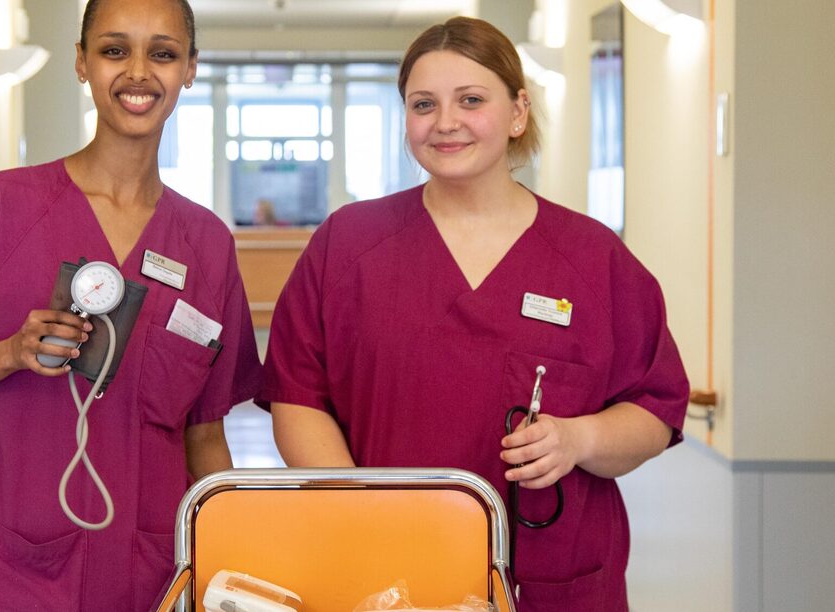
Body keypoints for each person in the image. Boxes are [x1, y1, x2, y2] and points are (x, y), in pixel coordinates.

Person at [258, 17, 688, 612]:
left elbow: (654, 410)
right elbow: (298, 397)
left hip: (547, 574)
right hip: (382, 568)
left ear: (518, 112)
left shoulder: (592, 259)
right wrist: (360, 508)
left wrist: (579, 437)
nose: (446, 122)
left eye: (471, 100)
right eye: (424, 103)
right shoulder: (349, 244)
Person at [0, 0, 262, 609]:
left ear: (191, 69)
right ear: (81, 63)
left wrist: (232, 570)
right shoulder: (3, 208)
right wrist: (12, 353)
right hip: (15, 565)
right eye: (114, 50)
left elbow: (205, 439)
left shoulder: (205, 244)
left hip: (149, 570)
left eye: (164, 53)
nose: (139, 73)